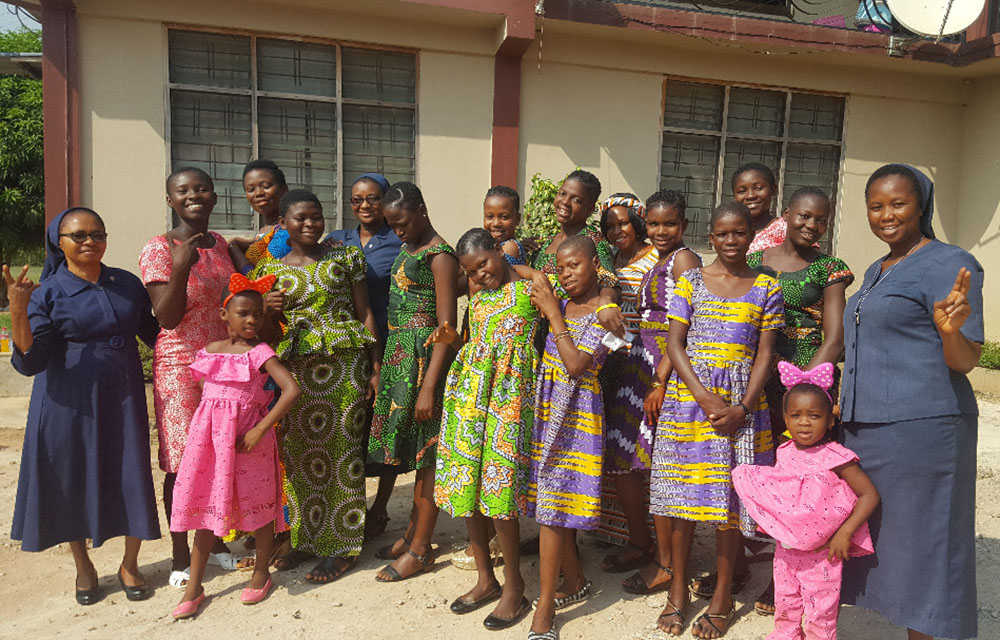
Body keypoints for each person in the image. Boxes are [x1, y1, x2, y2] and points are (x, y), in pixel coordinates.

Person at [840, 164, 984, 640]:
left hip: (925, 429)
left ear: (921, 207)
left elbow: (964, 361)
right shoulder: (876, 269)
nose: (886, 215)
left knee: (928, 551)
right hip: (868, 428)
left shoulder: (950, 263)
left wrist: (950, 332)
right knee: (890, 547)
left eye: (898, 203)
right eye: (876, 205)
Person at [5, 208, 161, 605]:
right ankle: (84, 567)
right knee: (71, 476)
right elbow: (30, 361)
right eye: (78, 235)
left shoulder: (126, 283)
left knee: (129, 474)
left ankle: (129, 564)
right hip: (66, 399)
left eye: (97, 233)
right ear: (60, 243)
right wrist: (18, 310)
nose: (89, 241)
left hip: (122, 395)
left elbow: (159, 335)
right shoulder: (47, 293)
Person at [650, 201, 783, 638]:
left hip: (742, 408)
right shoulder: (690, 281)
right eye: (723, 234)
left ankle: (723, 595)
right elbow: (675, 345)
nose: (731, 241)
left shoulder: (767, 287)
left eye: (739, 233)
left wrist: (743, 407)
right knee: (682, 501)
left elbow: (765, 353)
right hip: (689, 404)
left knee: (730, 505)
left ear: (751, 236)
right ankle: (678, 594)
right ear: (712, 237)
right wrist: (703, 396)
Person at [252, 189, 382, 583]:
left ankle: (341, 547)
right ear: (285, 224)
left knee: (342, 453)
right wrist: (267, 311)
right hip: (295, 375)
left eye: (316, 216)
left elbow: (365, 312)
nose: (310, 224)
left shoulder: (345, 257)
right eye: (301, 218)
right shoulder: (268, 271)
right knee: (299, 456)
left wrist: (374, 368)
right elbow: (261, 334)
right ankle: (307, 538)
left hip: (344, 368)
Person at [745, 187, 853, 614]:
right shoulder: (757, 263)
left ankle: (792, 575)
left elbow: (836, 334)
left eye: (821, 220)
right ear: (786, 215)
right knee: (767, 474)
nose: (812, 225)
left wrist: (804, 388)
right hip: (760, 382)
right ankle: (748, 564)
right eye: (805, 216)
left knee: (807, 483)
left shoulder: (829, 269)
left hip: (809, 389)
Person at [170, 275, 301, 619]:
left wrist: (260, 427)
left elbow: (291, 390)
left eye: (257, 315)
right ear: (223, 314)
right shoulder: (210, 352)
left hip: (248, 443)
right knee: (205, 507)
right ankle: (195, 587)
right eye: (243, 313)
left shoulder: (260, 353)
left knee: (257, 507)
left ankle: (261, 572)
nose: (251, 320)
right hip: (210, 446)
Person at [429, 228, 538, 630]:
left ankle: (515, 587)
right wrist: (454, 340)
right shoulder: (477, 299)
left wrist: (516, 266)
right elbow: (477, 346)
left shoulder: (531, 287)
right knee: (468, 488)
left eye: (485, 263)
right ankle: (485, 579)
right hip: (469, 398)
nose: (480, 274)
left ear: (499, 250)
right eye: (470, 271)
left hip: (509, 402)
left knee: (500, 490)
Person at [139, 167, 240, 587]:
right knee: (181, 461)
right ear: (170, 200)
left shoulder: (221, 246)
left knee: (219, 454)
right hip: (180, 365)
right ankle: (180, 554)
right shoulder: (158, 248)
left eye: (201, 188)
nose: (193, 195)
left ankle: (215, 541)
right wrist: (180, 266)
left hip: (222, 364)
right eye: (183, 191)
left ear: (214, 196)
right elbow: (165, 316)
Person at [733, 363, 879, 640]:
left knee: (819, 612)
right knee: (786, 603)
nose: (804, 422)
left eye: (814, 415)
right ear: (785, 420)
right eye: (796, 415)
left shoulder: (837, 458)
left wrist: (845, 533)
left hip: (823, 552)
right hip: (786, 550)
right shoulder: (784, 451)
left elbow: (869, 494)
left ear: (830, 420)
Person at [369, 181, 459, 583]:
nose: (399, 231)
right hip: (400, 360)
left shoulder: (439, 256)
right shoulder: (409, 250)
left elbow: (446, 326)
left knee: (428, 458)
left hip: (425, 364)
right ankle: (410, 533)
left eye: (403, 223)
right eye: (392, 226)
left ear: (422, 210)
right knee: (412, 454)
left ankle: (421, 547)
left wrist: (427, 385)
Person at [527, 235, 613, 640]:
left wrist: (553, 316)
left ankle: (544, 605)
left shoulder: (611, 317)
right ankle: (575, 580)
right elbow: (517, 268)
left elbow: (578, 365)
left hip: (578, 415)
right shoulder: (559, 302)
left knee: (553, 507)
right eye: (560, 269)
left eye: (574, 265)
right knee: (552, 501)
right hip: (548, 409)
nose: (566, 275)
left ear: (595, 263)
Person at [619, 191, 701, 596]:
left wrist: (661, 381)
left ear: (683, 225)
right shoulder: (661, 260)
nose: (660, 231)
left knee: (661, 470)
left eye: (669, 224)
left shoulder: (684, 260)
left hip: (662, 369)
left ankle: (667, 564)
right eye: (653, 224)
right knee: (641, 465)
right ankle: (652, 549)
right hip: (644, 365)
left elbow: (684, 327)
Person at [325, 172, 403, 540]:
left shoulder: (399, 239)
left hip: (389, 343)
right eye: (357, 199)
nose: (365, 205)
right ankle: (347, 506)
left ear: (386, 201)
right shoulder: (337, 240)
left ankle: (380, 507)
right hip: (343, 349)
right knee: (348, 429)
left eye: (373, 198)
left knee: (383, 428)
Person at [596, 192, 658, 568]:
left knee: (630, 456)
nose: (617, 230)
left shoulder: (655, 257)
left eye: (623, 223)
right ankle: (614, 533)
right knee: (608, 452)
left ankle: (641, 541)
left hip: (643, 364)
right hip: (609, 362)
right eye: (610, 226)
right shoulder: (610, 260)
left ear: (638, 222)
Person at [229, 159, 291, 272]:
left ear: (284, 190)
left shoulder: (287, 231)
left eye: (266, 186)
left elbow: (257, 276)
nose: (258, 193)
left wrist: (234, 248)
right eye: (251, 189)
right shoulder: (264, 230)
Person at [731, 162, 783, 253]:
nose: (750, 196)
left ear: (774, 189)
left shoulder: (786, 231)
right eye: (742, 191)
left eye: (759, 188)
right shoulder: (730, 233)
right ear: (734, 197)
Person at [483, 185, 527, 265]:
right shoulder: (490, 246)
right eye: (490, 216)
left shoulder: (511, 246)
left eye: (504, 217)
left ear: (517, 219)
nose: (496, 223)